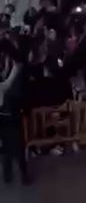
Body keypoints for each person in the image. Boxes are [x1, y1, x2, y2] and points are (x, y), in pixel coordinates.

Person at [0, 51, 28, 185]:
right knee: (18, 145)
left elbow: (5, 80)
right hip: (9, 117)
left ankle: (7, 175)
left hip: (3, 118)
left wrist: (9, 64)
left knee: (6, 146)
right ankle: (23, 175)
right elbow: (7, 83)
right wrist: (16, 68)